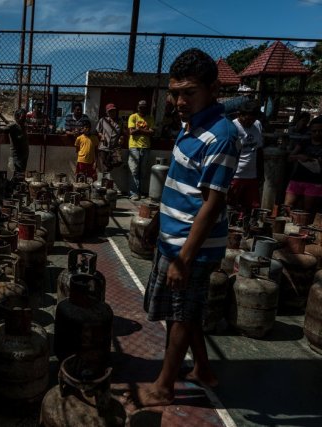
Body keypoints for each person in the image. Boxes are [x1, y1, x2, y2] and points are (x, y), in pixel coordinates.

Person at [131, 48, 240, 408]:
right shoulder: (189, 126)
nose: (179, 100)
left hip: (192, 246)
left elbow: (213, 203)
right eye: (175, 92)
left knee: (180, 313)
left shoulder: (221, 136)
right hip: (172, 237)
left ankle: (164, 386)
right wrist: (159, 221)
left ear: (212, 89)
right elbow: (180, 182)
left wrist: (184, 258)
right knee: (186, 308)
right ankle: (204, 369)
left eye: (189, 92)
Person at [228, 100, 264, 213]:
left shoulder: (257, 125)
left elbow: (259, 150)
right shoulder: (232, 127)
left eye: (252, 120)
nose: (250, 122)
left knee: (251, 208)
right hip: (236, 175)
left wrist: (260, 173)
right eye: (247, 119)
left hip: (252, 175)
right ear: (240, 115)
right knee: (232, 207)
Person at [284, 115, 322, 214]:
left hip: (315, 182)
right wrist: (299, 157)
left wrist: (310, 159)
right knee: (287, 206)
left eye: (320, 131)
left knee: (308, 210)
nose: (317, 133)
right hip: (297, 178)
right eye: (314, 131)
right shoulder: (304, 143)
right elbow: (290, 158)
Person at [127, 100, 155, 201]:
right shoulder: (133, 117)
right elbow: (132, 132)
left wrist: (139, 130)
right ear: (137, 107)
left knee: (143, 171)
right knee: (134, 170)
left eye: (144, 107)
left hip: (146, 147)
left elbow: (152, 133)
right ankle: (133, 193)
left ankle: (140, 191)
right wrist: (145, 131)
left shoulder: (150, 118)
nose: (142, 109)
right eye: (140, 107)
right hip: (134, 146)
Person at [0, 108, 29, 180]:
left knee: (21, 172)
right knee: (17, 172)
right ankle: (15, 186)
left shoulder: (23, 126)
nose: (24, 118)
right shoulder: (13, 126)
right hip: (17, 155)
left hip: (24, 154)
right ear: (17, 117)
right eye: (22, 117)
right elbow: (2, 130)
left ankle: (19, 184)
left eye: (25, 117)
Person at [95, 103, 124, 173]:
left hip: (115, 147)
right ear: (107, 112)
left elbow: (122, 133)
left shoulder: (120, 121)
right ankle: (104, 179)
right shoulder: (103, 120)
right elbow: (98, 131)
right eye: (110, 111)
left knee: (118, 162)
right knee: (103, 166)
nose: (112, 113)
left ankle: (108, 168)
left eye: (113, 111)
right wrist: (102, 136)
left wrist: (121, 138)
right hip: (104, 147)